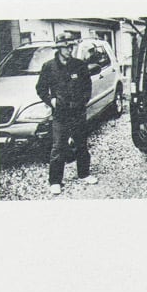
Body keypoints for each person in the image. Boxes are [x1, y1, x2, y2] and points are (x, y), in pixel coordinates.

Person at [35, 37, 93, 195]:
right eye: (67, 47)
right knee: (58, 147)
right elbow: (40, 88)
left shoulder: (79, 65)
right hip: (61, 113)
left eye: (72, 47)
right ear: (59, 49)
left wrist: (83, 101)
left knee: (81, 144)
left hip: (78, 112)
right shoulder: (49, 67)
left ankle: (84, 173)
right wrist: (51, 100)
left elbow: (87, 86)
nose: (70, 50)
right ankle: (55, 181)